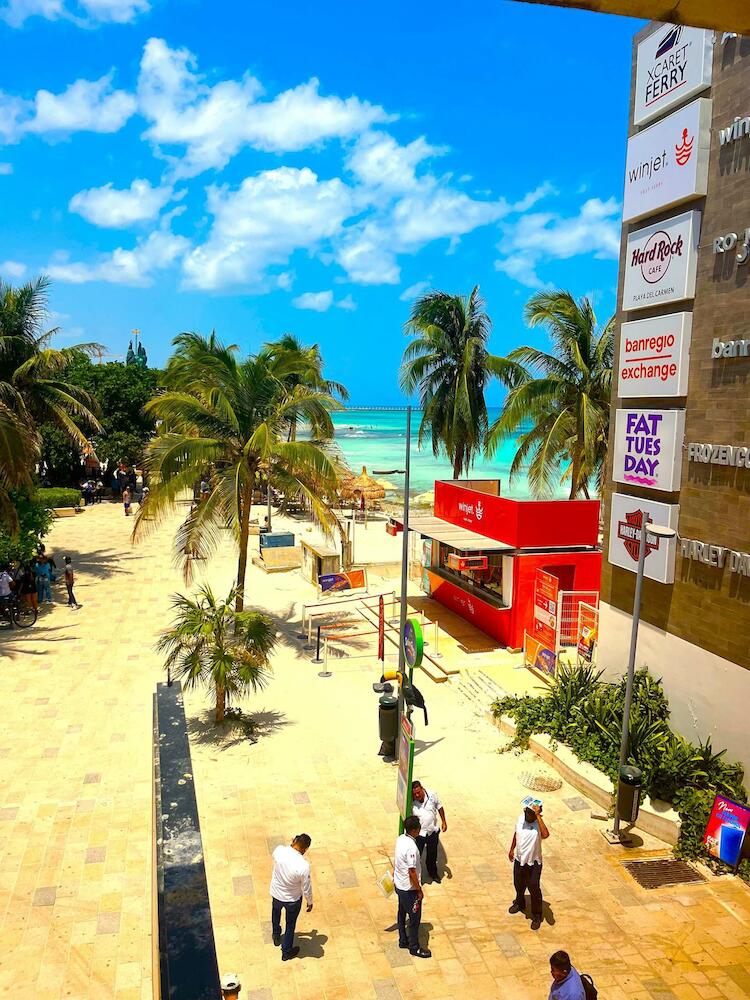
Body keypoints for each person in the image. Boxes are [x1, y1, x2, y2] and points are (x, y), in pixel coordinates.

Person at [269, 834, 313, 962]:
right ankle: (286, 951)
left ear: (294, 841)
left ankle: (276, 935)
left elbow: (280, 854)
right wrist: (309, 902)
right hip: (292, 900)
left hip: (276, 894)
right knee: (290, 924)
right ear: (305, 849)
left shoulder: (279, 851)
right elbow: (306, 887)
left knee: (275, 914)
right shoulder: (303, 866)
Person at [508, 802, 549, 930]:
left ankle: (537, 915)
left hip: (534, 862)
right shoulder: (520, 819)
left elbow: (546, 834)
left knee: (533, 887)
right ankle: (520, 903)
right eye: (526, 812)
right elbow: (516, 834)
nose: (527, 816)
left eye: (530, 814)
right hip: (519, 860)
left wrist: (538, 816)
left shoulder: (538, 825)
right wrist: (511, 849)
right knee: (518, 884)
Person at [394, 815, 431, 958]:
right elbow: (412, 871)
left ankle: (403, 940)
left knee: (401, 912)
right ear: (415, 830)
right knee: (414, 919)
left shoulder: (400, 839)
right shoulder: (411, 847)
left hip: (399, 885)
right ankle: (414, 947)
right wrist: (418, 889)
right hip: (409, 889)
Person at [411, 780, 447, 882]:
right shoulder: (411, 802)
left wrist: (444, 821)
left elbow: (439, 807)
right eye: (415, 794)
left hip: (432, 831)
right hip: (419, 834)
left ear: (422, 788)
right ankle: (416, 877)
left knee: (432, 854)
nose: (417, 795)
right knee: (417, 855)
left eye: (418, 792)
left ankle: (433, 873)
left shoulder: (432, 794)